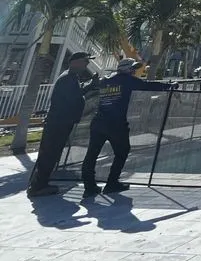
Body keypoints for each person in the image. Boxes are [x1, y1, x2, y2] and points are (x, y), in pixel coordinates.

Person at [80, 58, 177, 197]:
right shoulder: (127, 80)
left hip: (98, 122)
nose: (134, 71)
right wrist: (169, 86)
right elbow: (147, 86)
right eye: (132, 69)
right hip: (116, 124)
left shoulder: (106, 79)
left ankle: (89, 187)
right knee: (122, 152)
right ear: (126, 69)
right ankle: (112, 183)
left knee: (91, 155)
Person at [26, 52, 100, 198]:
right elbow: (75, 96)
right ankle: (38, 186)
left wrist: (90, 84)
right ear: (75, 62)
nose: (87, 65)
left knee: (51, 153)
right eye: (85, 61)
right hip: (58, 123)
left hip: (61, 122)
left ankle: (40, 184)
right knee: (50, 153)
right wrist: (91, 85)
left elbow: (77, 92)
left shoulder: (71, 77)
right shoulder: (67, 78)